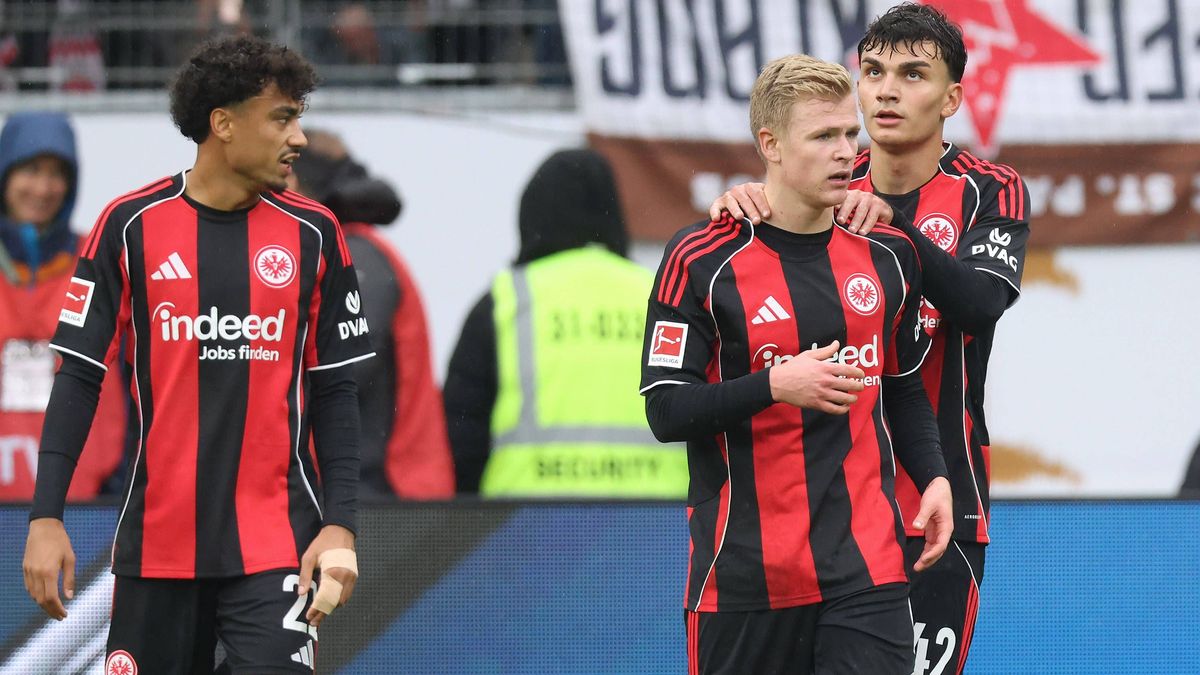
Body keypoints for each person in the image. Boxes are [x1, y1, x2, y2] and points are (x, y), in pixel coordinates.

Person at [21, 35, 374, 674]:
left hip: (277, 547)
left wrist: (341, 525)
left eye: (299, 116)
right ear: (223, 124)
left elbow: (336, 392)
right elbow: (78, 378)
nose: (299, 137)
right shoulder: (127, 226)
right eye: (282, 117)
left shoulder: (316, 233)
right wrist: (46, 516)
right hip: (157, 547)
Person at [709, 4, 1032, 672]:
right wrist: (745, 208)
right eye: (874, 71)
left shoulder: (989, 190)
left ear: (951, 98)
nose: (887, 89)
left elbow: (978, 306)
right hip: (827, 516)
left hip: (942, 500)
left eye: (913, 74)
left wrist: (894, 230)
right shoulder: (822, 188)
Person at [644, 53, 953, 674]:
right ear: (771, 145)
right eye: (823, 136)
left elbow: (902, 387)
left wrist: (936, 476)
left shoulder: (888, 255)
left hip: (868, 570)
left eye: (849, 133)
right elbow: (666, 409)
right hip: (745, 578)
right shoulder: (702, 260)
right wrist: (774, 385)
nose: (846, 152)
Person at [444, 148, 687, 498]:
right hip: (658, 528)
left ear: (531, 218)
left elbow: (462, 433)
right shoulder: (663, 295)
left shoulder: (505, 300)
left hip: (524, 529)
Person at [288, 128, 455, 500]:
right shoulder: (352, 251)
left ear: (296, 182)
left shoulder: (354, 256)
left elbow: (343, 366)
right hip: (364, 494)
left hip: (377, 499)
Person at [0, 112, 126, 501]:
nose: (43, 187)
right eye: (31, 170)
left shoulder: (98, 261)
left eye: (57, 174)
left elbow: (132, 375)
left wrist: (117, 486)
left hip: (86, 513)